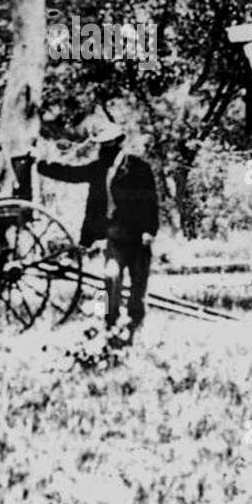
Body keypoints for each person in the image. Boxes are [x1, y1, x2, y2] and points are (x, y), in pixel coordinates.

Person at [36, 120, 160, 341]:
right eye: (100, 145)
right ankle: (109, 324)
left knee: (138, 286)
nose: (102, 149)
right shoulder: (98, 168)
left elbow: (150, 202)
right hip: (115, 236)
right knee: (110, 281)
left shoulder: (138, 168)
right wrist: (41, 165)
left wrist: (149, 231)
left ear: (117, 143)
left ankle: (134, 328)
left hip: (138, 237)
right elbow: (71, 174)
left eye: (106, 144)